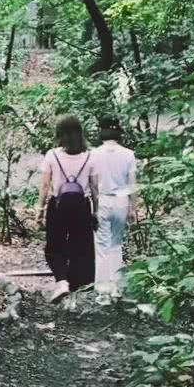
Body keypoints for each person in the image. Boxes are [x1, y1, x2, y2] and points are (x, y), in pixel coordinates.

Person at [37, 115, 98, 304]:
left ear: (60, 134)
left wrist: (39, 209)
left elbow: (45, 186)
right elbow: (95, 188)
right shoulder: (90, 155)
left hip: (58, 206)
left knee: (54, 247)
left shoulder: (52, 155)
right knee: (81, 248)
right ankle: (76, 291)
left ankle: (62, 282)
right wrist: (96, 211)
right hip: (82, 207)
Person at [91, 115, 138, 299]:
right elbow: (132, 183)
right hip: (121, 201)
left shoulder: (94, 154)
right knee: (116, 244)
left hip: (101, 200)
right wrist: (133, 207)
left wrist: (93, 207)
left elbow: (93, 184)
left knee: (101, 245)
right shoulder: (128, 154)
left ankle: (103, 291)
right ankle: (116, 287)